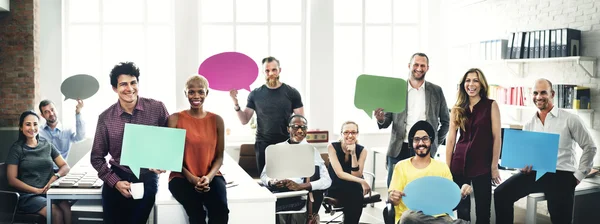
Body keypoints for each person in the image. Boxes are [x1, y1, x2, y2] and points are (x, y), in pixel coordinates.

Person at [494, 79, 597, 224]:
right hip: (534, 173)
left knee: (560, 219)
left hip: (561, 174)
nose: (538, 96)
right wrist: (524, 166)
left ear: (552, 94)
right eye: (535, 93)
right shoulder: (529, 124)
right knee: (501, 193)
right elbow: (527, 155)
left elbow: (590, 147)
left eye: (543, 92)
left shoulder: (570, 119)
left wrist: (578, 176)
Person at [90, 62, 170, 224]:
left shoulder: (157, 108)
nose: (129, 88)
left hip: (147, 176)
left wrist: (162, 162)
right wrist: (116, 182)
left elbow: (169, 144)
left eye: (133, 83)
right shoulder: (105, 118)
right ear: (114, 88)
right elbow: (97, 157)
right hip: (118, 174)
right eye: (123, 84)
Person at [374, 52, 450, 187]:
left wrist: (435, 143)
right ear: (409, 66)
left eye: (423, 65)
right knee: (395, 190)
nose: (419, 68)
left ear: (427, 68)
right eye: (416, 64)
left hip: (424, 149)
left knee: (422, 189)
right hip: (399, 147)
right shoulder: (396, 90)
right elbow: (386, 121)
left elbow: (445, 122)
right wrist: (380, 119)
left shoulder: (436, 91)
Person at [168, 75, 229, 224]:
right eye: (191, 92)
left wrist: (208, 177)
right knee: (196, 212)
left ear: (207, 93)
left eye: (201, 92)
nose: (196, 96)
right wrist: (192, 179)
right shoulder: (175, 119)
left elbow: (219, 157)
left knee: (221, 210)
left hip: (211, 176)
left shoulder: (217, 120)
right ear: (186, 94)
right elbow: (171, 157)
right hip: (181, 177)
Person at [229, 56, 304, 174]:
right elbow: (244, 120)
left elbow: (301, 121)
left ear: (280, 70)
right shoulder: (255, 94)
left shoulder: (292, 92)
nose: (271, 73)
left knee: (286, 180)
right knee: (266, 181)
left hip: (285, 143)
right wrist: (235, 102)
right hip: (263, 145)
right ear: (263, 72)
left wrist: (297, 142)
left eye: (274, 70)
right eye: (267, 71)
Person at [445, 68, 501, 224]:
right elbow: (451, 140)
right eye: (468, 81)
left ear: (481, 84)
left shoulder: (491, 105)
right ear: (463, 84)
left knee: (483, 211)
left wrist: (494, 166)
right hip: (459, 164)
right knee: (462, 210)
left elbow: (497, 137)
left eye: (475, 80)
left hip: (482, 165)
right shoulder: (457, 108)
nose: (471, 84)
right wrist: (447, 168)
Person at [388, 121, 471, 224]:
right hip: (411, 219)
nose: (421, 143)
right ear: (411, 142)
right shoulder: (401, 166)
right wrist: (392, 198)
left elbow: (449, 201)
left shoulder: (442, 167)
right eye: (416, 139)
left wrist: (461, 194)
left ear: (431, 141)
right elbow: (393, 200)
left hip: (438, 217)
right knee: (408, 216)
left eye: (425, 139)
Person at [261, 114, 331, 224]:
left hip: (299, 195)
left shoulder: (312, 152)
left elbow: (327, 181)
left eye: (303, 127)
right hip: (278, 191)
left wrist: (301, 186)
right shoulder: (278, 149)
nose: (299, 131)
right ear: (288, 129)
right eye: (295, 127)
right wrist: (271, 181)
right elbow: (264, 176)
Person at [6, 111, 72, 224]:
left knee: (67, 208)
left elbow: (65, 166)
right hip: (28, 196)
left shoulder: (46, 144)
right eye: (28, 124)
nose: (32, 128)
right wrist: (36, 190)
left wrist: (55, 176)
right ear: (21, 127)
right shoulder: (16, 149)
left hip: (48, 192)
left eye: (35, 124)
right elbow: (12, 180)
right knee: (55, 212)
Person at [326, 121, 370, 224]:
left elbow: (356, 174)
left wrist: (353, 154)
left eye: (353, 132)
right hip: (336, 186)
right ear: (341, 134)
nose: (350, 135)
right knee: (354, 195)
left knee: (355, 193)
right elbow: (339, 174)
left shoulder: (362, 150)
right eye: (346, 132)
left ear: (357, 134)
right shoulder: (332, 147)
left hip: (353, 187)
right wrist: (362, 181)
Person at [38, 99, 86, 168]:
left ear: (56, 110)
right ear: (42, 115)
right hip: (43, 172)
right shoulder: (39, 132)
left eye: (52, 110)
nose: (51, 113)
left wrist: (78, 113)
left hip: (62, 171)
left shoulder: (67, 129)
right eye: (46, 112)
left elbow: (80, 137)